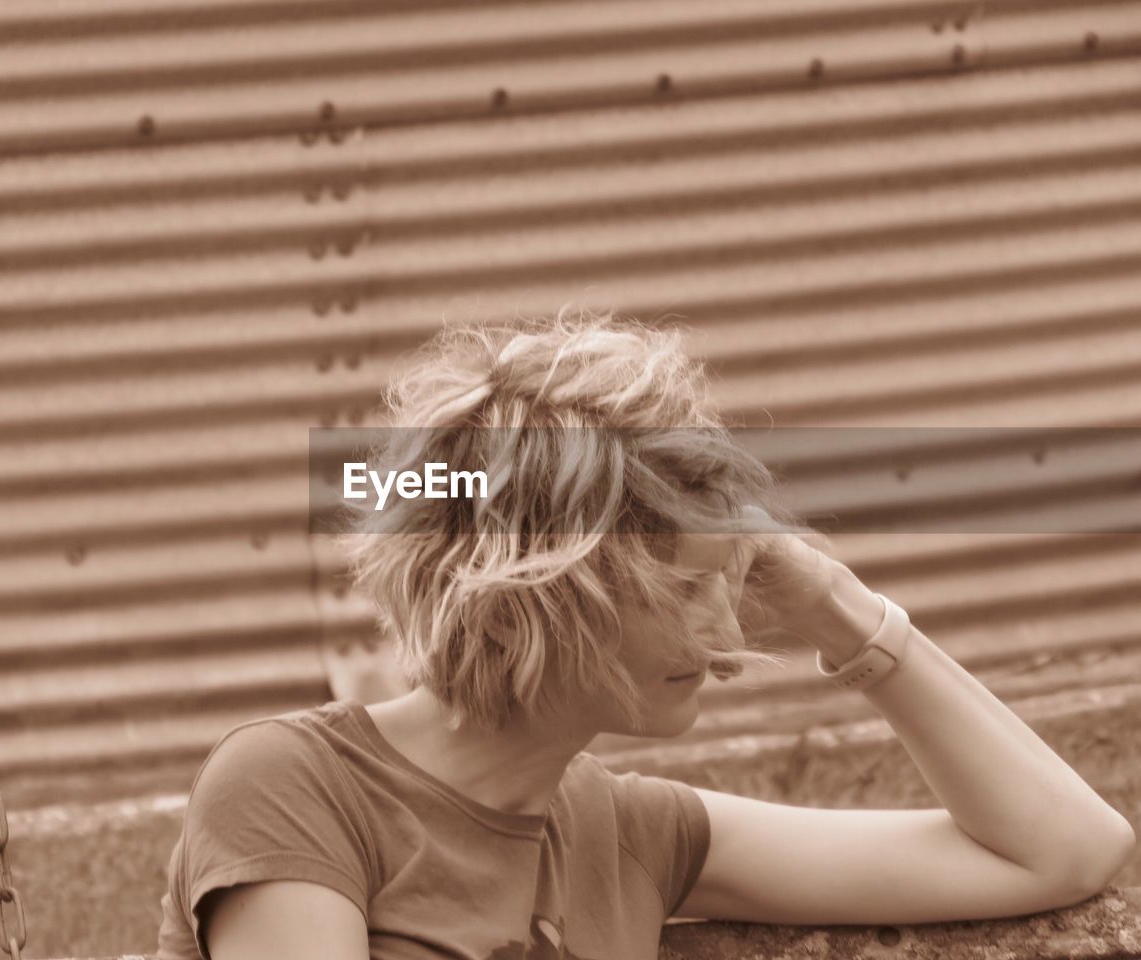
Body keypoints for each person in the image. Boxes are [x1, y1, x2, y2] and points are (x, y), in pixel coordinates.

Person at [156, 305, 1135, 960]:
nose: (722, 642)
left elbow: (1060, 851)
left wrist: (832, 603)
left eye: (734, 587)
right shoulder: (296, 785)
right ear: (537, 596)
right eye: (684, 589)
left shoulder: (626, 832)